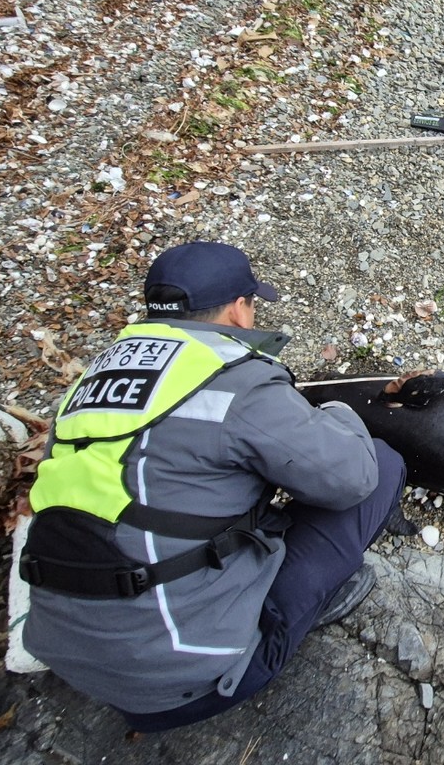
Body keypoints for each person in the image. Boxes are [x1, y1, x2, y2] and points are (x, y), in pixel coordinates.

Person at [21, 241, 412, 731]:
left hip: (68, 653)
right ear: (237, 310)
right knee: (381, 465)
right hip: (185, 683)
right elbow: (350, 478)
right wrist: (337, 415)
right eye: (251, 303)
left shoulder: (94, 378)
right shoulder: (237, 380)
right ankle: (298, 611)